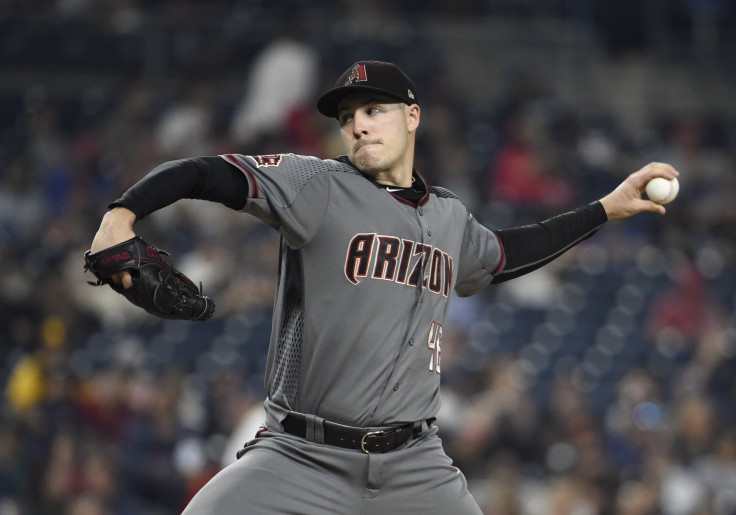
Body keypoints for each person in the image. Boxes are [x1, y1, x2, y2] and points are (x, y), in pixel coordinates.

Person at [88, 60, 679, 514]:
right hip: (300, 454)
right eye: (348, 118)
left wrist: (605, 208)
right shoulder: (317, 185)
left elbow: (506, 254)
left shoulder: (450, 219)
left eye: (374, 109)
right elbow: (207, 172)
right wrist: (123, 213)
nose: (358, 125)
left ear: (412, 116)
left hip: (415, 465)